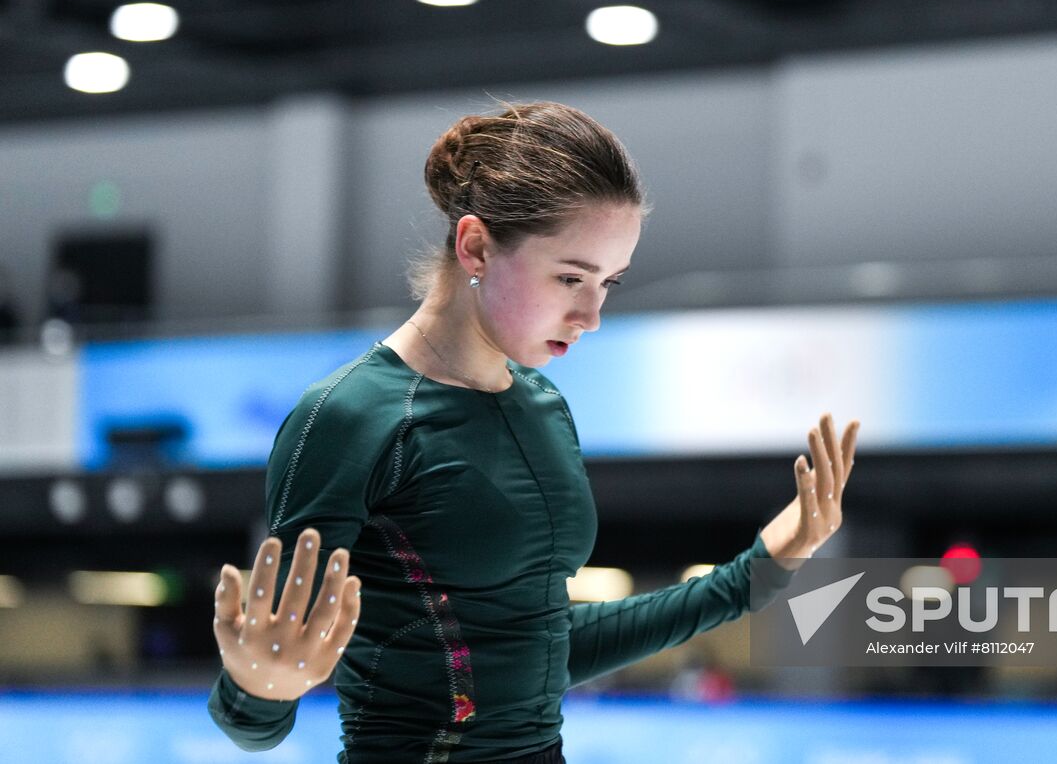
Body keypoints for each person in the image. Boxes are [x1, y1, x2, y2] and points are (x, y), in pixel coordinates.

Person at [206, 102, 860, 763]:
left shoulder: (543, 404)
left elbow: (534, 650)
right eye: (571, 277)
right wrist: (259, 690)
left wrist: (754, 578)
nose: (592, 314)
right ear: (476, 246)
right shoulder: (350, 417)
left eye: (609, 282)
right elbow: (256, 702)